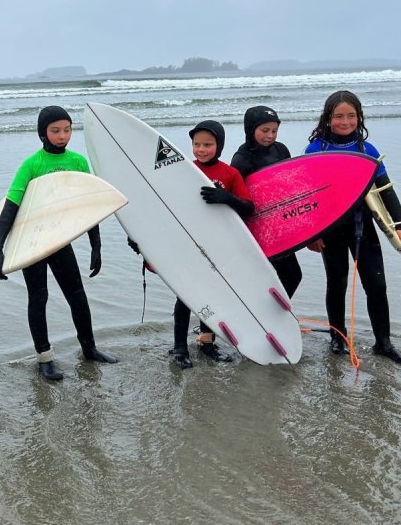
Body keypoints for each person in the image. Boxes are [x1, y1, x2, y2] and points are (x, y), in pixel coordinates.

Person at [0, 105, 117, 381]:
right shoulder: (32, 165)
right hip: (32, 243)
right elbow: (11, 207)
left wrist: (96, 245)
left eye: (67, 130)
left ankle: (89, 349)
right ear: (42, 133)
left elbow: (89, 207)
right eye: (55, 130)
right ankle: (44, 359)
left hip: (59, 241)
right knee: (38, 298)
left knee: (77, 296)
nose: (62, 136)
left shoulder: (78, 162)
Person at [131, 120, 253, 369]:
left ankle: (206, 342)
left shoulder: (230, 174)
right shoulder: (182, 170)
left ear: (219, 146)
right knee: (185, 295)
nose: (201, 149)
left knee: (213, 294)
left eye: (208, 144)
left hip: (218, 244)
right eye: (197, 144)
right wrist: (140, 235)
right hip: (186, 244)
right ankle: (179, 347)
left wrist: (227, 198)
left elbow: (249, 209)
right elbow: (159, 207)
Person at [304, 90, 401, 363]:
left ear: (359, 118)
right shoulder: (316, 150)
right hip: (330, 230)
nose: (345, 121)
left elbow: (386, 190)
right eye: (338, 116)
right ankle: (338, 338)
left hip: (363, 228)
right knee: (337, 283)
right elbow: (306, 195)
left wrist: (399, 223)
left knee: (377, 284)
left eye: (351, 116)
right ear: (327, 118)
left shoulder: (366, 150)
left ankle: (382, 342)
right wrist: (311, 233)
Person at [230, 105, 303, 298]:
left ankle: (272, 316)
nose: (270, 136)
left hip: (279, 225)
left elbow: (290, 185)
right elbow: (234, 197)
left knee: (293, 275)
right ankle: (260, 317)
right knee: (262, 277)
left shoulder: (281, 150)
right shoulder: (241, 160)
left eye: (274, 131)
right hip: (256, 228)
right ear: (250, 129)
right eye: (264, 130)